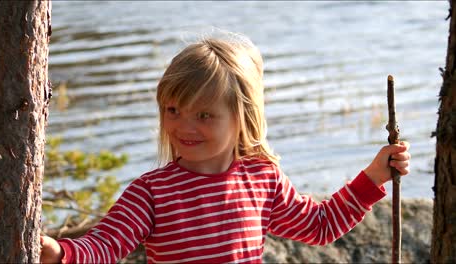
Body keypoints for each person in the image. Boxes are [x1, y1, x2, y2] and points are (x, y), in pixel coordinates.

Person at [40, 32, 411, 263]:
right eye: (173, 110)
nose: (184, 126)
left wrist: (373, 178)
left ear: (241, 118)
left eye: (204, 115)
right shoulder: (151, 193)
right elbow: (105, 246)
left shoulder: (262, 179)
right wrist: (62, 254)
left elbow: (320, 226)